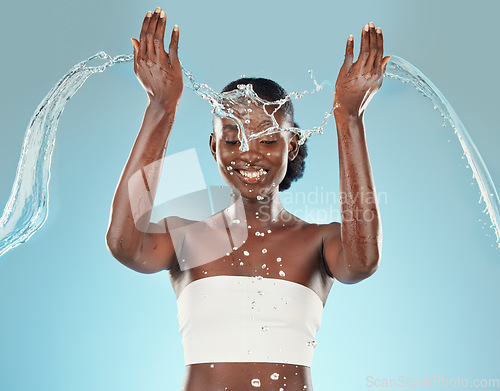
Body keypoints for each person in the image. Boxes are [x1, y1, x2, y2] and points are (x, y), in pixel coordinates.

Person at [106, 6, 390, 391]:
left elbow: (363, 261)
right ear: (213, 147)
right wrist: (162, 106)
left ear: (291, 145)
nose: (248, 154)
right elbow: (125, 244)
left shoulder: (320, 241)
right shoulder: (187, 236)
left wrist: (349, 118)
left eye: (268, 139)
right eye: (232, 138)